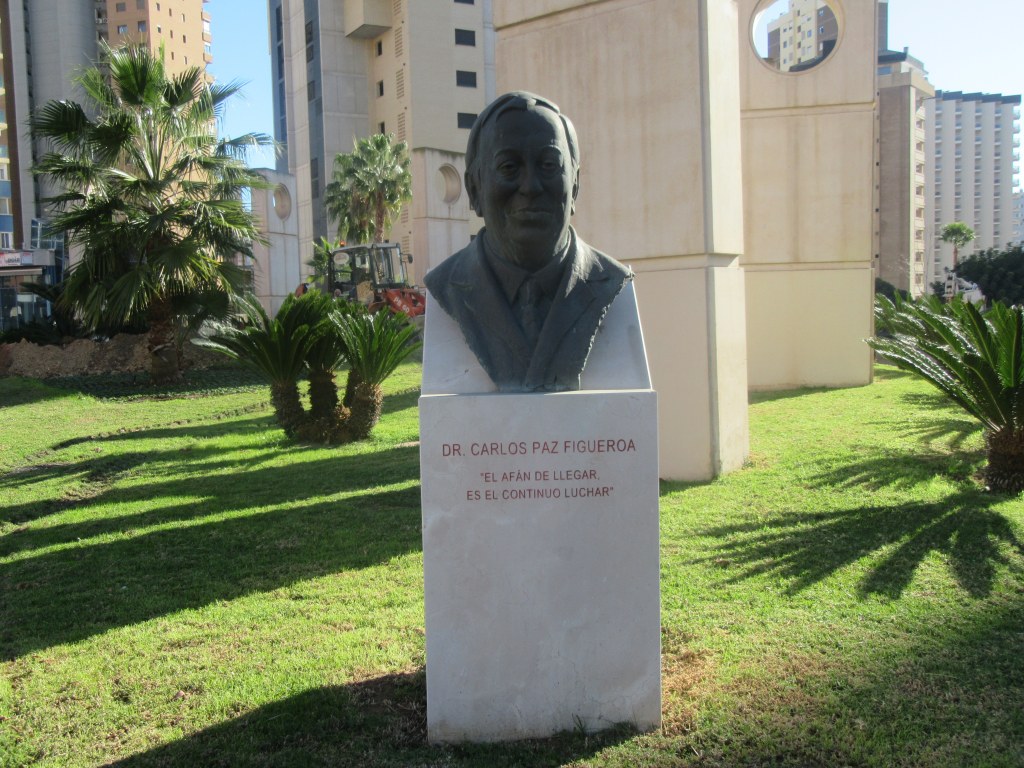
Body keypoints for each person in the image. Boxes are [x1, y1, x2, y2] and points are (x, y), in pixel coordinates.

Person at [424, 92, 633, 392]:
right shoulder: (446, 287)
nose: (530, 186)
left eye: (549, 165)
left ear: (574, 185)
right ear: (474, 190)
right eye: (509, 167)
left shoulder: (610, 283)